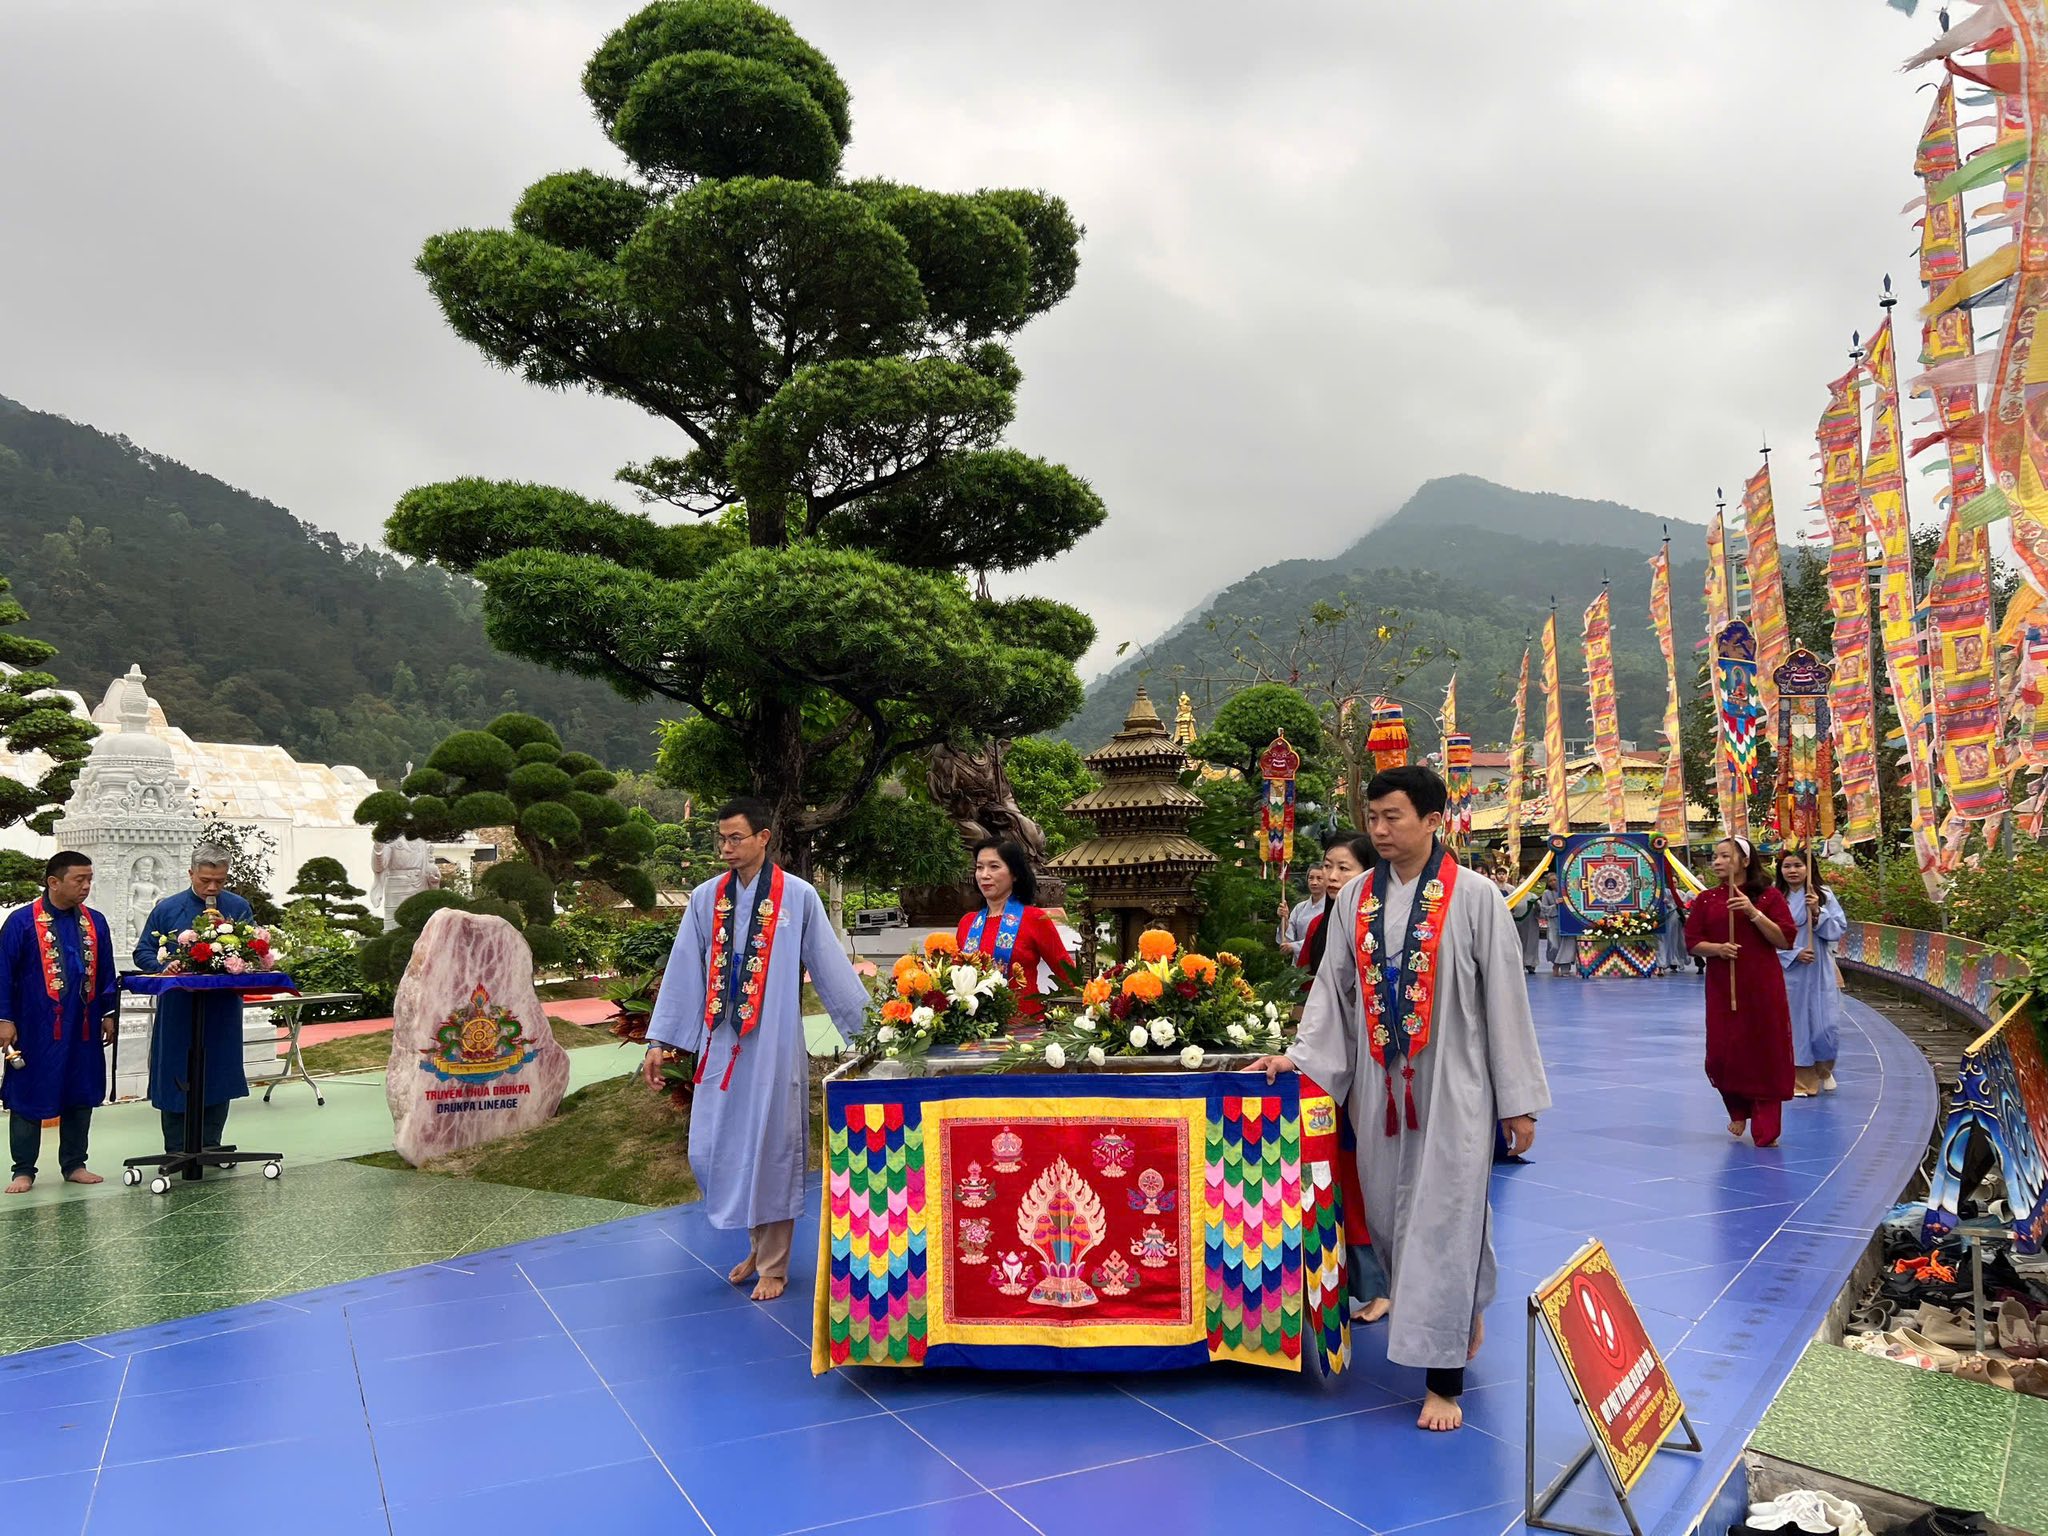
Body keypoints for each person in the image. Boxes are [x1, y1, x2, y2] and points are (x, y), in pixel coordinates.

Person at [1253, 766, 1551, 1432]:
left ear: (1432, 820)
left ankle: (1443, 1381)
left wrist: (1518, 1100)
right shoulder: (1356, 898)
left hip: (1456, 1086)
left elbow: (1506, 999)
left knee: (1446, 1220)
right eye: (1374, 818)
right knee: (1390, 1218)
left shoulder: (1475, 897)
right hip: (1378, 1090)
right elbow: (1332, 991)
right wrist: (1301, 1058)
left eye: (1393, 817)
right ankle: (1460, 1309)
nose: (1380, 830)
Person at [643, 796, 868, 1301]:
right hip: (720, 1045)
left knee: (771, 1146)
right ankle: (755, 1245)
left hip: (773, 1046)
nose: (725, 848)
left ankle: (774, 1264)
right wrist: (660, 1041)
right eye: (721, 839)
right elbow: (684, 970)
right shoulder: (705, 899)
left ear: (764, 837)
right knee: (715, 1148)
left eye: (736, 838)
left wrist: (873, 1037)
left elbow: (831, 969)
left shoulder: (799, 897)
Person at [0, 853, 118, 1193]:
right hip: (34, 1027)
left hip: (83, 1025)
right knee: (28, 1091)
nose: (86, 886)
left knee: (80, 1091)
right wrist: (4, 1019)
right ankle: (23, 1170)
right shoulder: (21, 922)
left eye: (89, 879)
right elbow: (3, 973)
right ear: (53, 882)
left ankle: (75, 1164)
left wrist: (108, 1013)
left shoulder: (95, 922)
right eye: (79, 879)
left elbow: (106, 972)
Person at [134, 845, 254, 1156]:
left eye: (220, 881)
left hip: (221, 1005)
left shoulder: (238, 907)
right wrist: (163, 965)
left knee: (218, 1069)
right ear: (190, 874)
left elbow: (253, 950)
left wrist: (238, 953)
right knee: (176, 1068)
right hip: (178, 1005)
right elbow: (143, 951)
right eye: (205, 880)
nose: (212, 888)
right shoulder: (168, 908)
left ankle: (211, 1145)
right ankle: (176, 1147)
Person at [1685, 837, 1795, 1147]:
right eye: (1715, 856)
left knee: (1763, 1050)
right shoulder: (1706, 899)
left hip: (1762, 985)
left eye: (1725, 856)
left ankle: (1766, 1125)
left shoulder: (1769, 896)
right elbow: (1693, 942)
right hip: (1723, 986)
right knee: (1723, 1052)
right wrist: (1718, 949)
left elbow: (1784, 939)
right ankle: (1737, 1108)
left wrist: (1752, 912)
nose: (1717, 862)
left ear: (1745, 861)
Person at [955, 839, 1075, 1020]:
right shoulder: (968, 923)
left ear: (1015, 874)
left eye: (994, 867)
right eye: (979, 867)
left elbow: (1067, 974)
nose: (984, 875)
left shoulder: (1034, 918)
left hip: (1027, 1028)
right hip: (974, 1027)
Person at [1776, 849, 1847, 1097]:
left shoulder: (1823, 894)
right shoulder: (1775, 898)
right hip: (1789, 971)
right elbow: (1766, 935)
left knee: (1825, 1024)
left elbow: (1837, 930)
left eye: (1798, 865)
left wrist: (1817, 912)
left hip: (1818, 969)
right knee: (1796, 1025)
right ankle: (1801, 1080)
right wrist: (1793, 954)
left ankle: (1824, 1067)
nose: (1792, 871)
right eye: (1787, 866)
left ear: (1809, 868)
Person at [1275, 865, 1326, 964]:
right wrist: (1285, 920)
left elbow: (1323, 938)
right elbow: (1288, 938)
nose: (1314, 882)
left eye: (1319, 878)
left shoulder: (1332, 908)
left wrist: (1294, 947)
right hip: (1299, 963)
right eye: (1311, 878)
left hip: (1322, 962)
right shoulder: (1300, 907)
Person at [1504, 870, 1540, 974]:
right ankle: (1518, 964)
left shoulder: (1533, 896)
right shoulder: (1513, 896)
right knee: (1517, 944)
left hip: (1531, 924)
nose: (1522, 885)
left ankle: (1530, 964)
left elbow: (1540, 911)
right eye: (1520, 883)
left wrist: (1537, 905)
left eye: (1524, 883)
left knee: (1531, 944)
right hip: (1517, 924)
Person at [1538, 874, 1571, 976]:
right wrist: (1555, 905)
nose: (1553, 882)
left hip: (1566, 920)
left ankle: (1565, 969)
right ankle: (1555, 964)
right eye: (1550, 881)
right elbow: (1544, 908)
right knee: (1554, 945)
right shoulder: (1546, 893)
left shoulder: (1567, 891)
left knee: (1566, 945)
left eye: (1555, 880)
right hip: (1553, 921)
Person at [1658, 884, 1692, 976]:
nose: (1674, 883)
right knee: (1662, 941)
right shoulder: (1659, 891)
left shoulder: (1680, 893)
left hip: (1674, 917)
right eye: (1672, 881)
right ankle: (1663, 963)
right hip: (1661, 918)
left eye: (1675, 882)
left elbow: (1683, 905)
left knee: (1676, 940)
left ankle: (1679, 960)